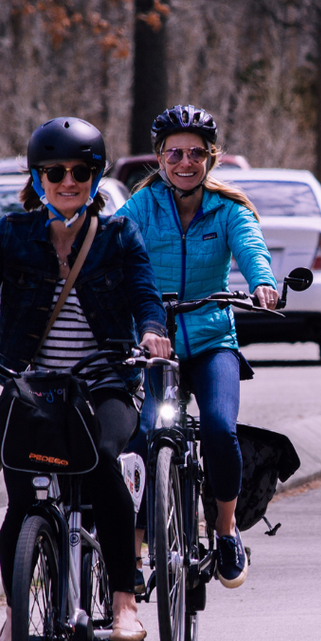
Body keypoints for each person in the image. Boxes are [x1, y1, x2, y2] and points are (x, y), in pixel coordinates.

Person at [0, 117, 171, 641]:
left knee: (103, 461)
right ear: (36, 178)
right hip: (30, 387)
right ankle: (17, 610)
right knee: (24, 504)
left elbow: (144, 295)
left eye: (80, 173)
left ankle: (124, 603)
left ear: (95, 176)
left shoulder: (118, 236)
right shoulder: (13, 234)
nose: (67, 182)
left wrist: (152, 331)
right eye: (54, 172)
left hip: (104, 380)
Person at [117, 104, 279, 589]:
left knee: (218, 431)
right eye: (174, 154)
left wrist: (263, 284)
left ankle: (225, 532)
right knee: (144, 436)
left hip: (212, 341)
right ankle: (136, 549)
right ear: (159, 157)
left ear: (211, 157)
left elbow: (252, 249)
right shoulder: (141, 207)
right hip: (154, 344)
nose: (184, 163)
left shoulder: (229, 209)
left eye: (195, 153)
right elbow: (114, 249)